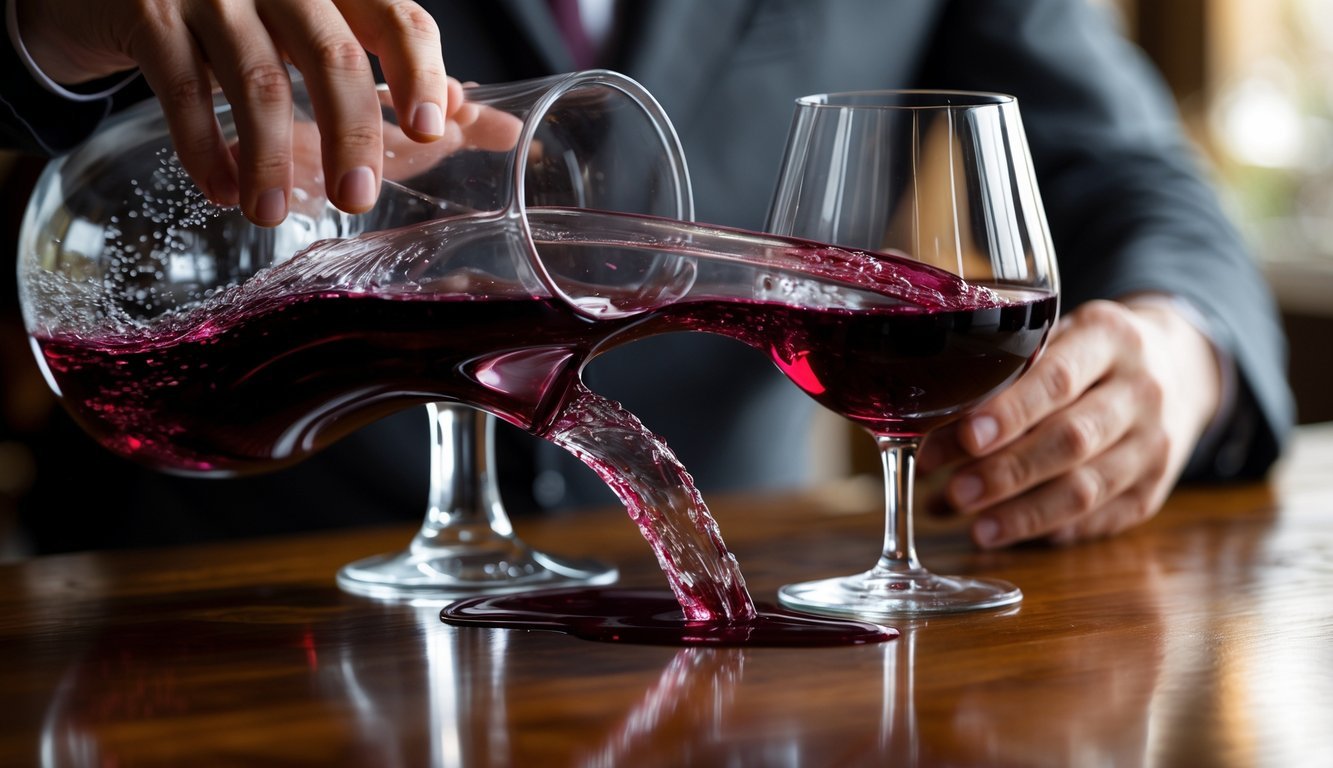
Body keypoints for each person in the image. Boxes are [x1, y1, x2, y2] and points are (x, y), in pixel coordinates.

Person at [0, 0, 1292, 553]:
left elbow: (1130, 172)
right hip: (216, 626)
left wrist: (1179, 347)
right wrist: (43, 25)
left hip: (727, 686)